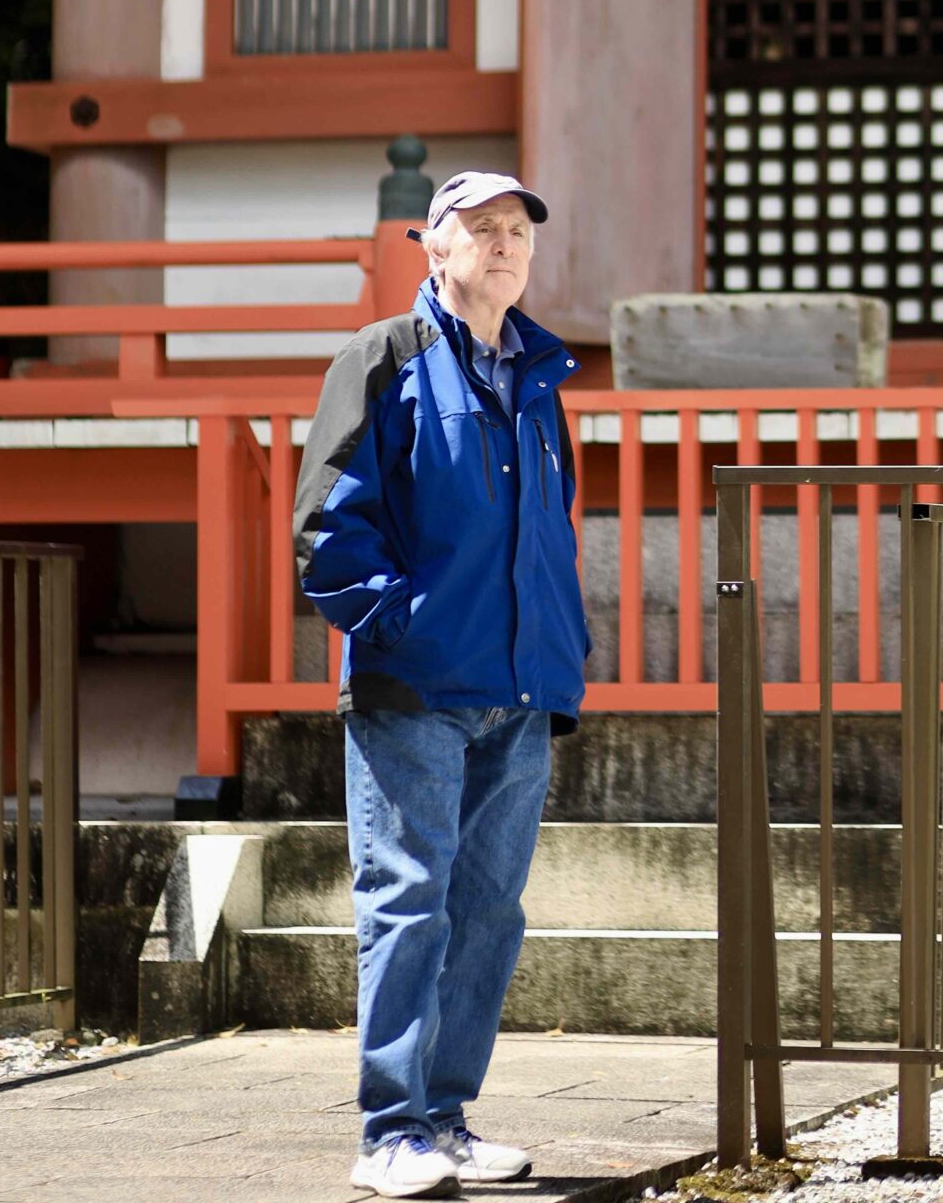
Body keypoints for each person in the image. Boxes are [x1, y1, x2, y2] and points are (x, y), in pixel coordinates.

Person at [294, 170, 588, 1199]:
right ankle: (389, 1131)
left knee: (489, 909)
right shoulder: (382, 359)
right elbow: (329, 527)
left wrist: (559, 659)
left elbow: (549, 538)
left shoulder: (542, 377)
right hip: (414, 687)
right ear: (435, 246)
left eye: (518, 231)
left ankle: (447, 1118)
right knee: (409, 901)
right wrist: (400, 631)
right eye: (483, 230)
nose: (504, 246)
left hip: (519, 684)